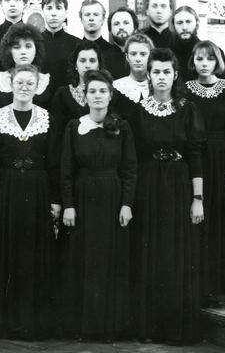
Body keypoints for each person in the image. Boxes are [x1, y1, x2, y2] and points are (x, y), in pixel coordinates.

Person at [129, 48, 204, 345]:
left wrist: (197, 198)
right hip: (148, 187)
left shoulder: (187, 109)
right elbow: (133, 158)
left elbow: (195, 155)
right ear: (148, 75)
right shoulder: (138, 110)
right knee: (150, 252)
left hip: (179, 185)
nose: (161, 77)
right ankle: (149, 328)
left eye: (166, 72)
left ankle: (175, 329)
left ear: (175, 75)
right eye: (156, 72)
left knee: (175, 253)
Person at [0, 64, 60, 339]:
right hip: (7, 190)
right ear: (11, 84)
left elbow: (54, 163)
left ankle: (33, 323)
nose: (25, 88)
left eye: (30, 83)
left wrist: (56, 200)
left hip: (38, 192)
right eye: (20, 83)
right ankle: (8, 323)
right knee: (8, 252)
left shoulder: (47, 118)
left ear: (38, 87)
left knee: (34, 254)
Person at [60, 69, 136, 341]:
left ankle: (110, 327)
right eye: (92, 91)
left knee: (110, 262)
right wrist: (68, 205)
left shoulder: (122, 128)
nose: (97, 96)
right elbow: (66, 171)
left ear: (111, 95)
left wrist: (126, 204)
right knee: (84, 261)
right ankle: (85, 327)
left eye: (103, 91)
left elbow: (130, 170)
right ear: (84, 96)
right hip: (83, 200)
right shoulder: (74, 127)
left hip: (112, 200)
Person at [185, 40, 225, 305]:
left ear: (217, 61)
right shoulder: (185, 89)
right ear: (193, 61)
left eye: (210, 58)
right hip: (194, 160)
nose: (204, 63)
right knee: (196, 221)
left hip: (221, 162)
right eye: (199, 58)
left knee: (220, 221)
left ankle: (220, 289)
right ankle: (197, 288)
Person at [0, 24, 52, 108]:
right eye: (17, 47)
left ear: (36, 49)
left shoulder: (44, 81)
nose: (23, 52)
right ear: (9, 51)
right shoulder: (0, 80)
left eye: (28, 46)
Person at [51, 41, 102, 128]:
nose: (87, 65)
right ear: (75, 65)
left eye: (92, 61)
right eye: (82, 61)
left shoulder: (107, 93)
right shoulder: (62, 94)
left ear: (98, 66)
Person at [172, 6, 225, 82]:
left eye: (188, 22)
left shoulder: (214, 52)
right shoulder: (167, 53)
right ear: (174, 26)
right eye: (179, 23)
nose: (184, 27)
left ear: (197, 23)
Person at [40, 0, 81, 93]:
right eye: (49, 8)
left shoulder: (78, 44)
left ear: (66, 13)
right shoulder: (33, 43)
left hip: (68, 100)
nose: (53, 13)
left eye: (58, 8)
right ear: (42, 12)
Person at [112, 33, 154, 121]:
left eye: (143, 54)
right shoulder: (116, 87)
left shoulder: (157, 86)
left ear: (150, 57)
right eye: (133, 54)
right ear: (127, 57)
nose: (138, 59)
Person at [103, 7, 139, 79]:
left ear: (135, 28)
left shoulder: (147, 56)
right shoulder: (102, 59)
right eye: (116, 24)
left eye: (126, 23)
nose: (121, 27)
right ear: (110, 30)